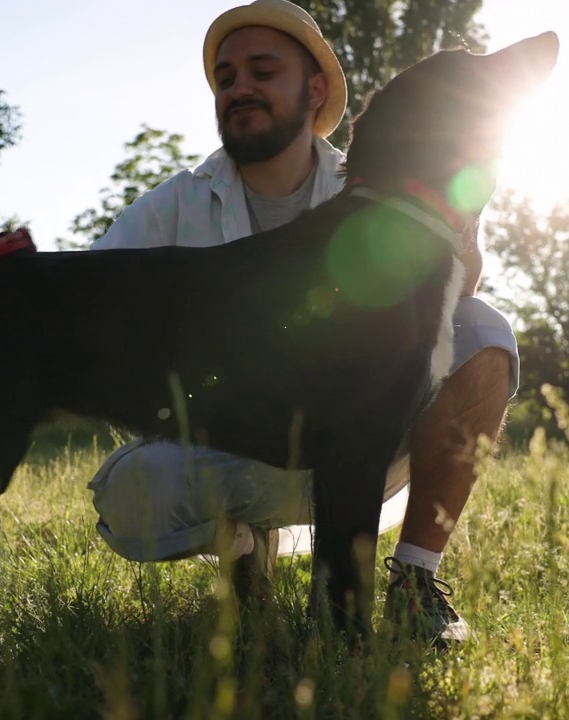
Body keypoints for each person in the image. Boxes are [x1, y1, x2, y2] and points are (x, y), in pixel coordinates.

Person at [84, 0, 519, 644]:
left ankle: (412, 581)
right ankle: (241, 554)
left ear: (315, 90)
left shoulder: (382, 185)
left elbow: (446, 318)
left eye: (263, 70)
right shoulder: (174, 203)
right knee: (132, 490)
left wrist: (457, 225)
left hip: (363, 448)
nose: (240, 88)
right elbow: (88, 300)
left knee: (483, 330)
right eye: (226, 78)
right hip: (226, 451)